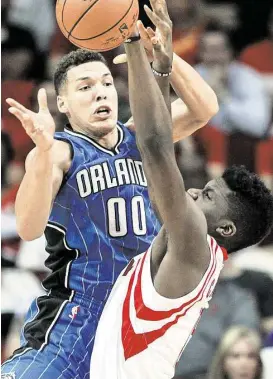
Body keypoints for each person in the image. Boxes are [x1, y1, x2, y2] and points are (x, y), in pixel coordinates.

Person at [1, 2, 219, 378]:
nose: (100, 93)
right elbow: (28, 227)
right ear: (63, 104)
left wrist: (160, 55)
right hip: (74, 320)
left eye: (104, 83)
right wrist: (40, 154)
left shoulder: (143, 138)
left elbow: (204, 108)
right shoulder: (62, 153)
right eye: (85, 87)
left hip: (134, 325)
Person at [89, 0, 273, 378]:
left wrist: (131, 41)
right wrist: (159, 66)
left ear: (226, 229)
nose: (191, 193)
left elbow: (155, 144)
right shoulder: (189, 244)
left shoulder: (193, 242)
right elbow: (153, 141)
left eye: (206, 196)